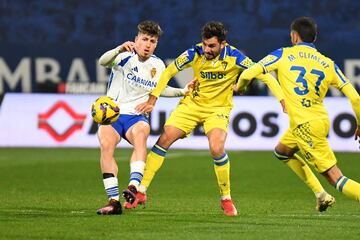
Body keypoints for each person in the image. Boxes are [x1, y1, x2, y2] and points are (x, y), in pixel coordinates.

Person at [129, 21, 285, 216]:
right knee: (164, 139)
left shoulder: (235, 57)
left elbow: (265, 75)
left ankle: (226, 198)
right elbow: (169, 71)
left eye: (211, 46)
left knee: (217, 147)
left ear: (223, 44)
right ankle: (141, 191)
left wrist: (282, 99)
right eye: (205, 44)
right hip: (192, 105)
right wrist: (153, 98)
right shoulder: (195, 52)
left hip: (217, 109)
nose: (207, 49)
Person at [235, 16, 360, 208]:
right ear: (314, 38)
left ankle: (328, 193)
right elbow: (355, 98)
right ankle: (320, 195)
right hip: (317, 120)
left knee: (336, 178)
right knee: (282, 151)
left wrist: (240, 87)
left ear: (294, 37)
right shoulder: (328, 63)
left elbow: (248, 73)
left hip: (305, 126)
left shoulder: (283, 54)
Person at [96, 20, 194, 215]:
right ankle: (113, 202)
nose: (148, 44)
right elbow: (102, 62)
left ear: (156, 44)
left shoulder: (157, 64)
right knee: (106, 148)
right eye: (144, 39)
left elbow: (161, 89)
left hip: (137, 116)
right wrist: (117, 49)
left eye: (152, 41)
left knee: (141, 137)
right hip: (113, 115)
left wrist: (182, 91)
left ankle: (133, 187)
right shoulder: (123, 56)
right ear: (136, 39)